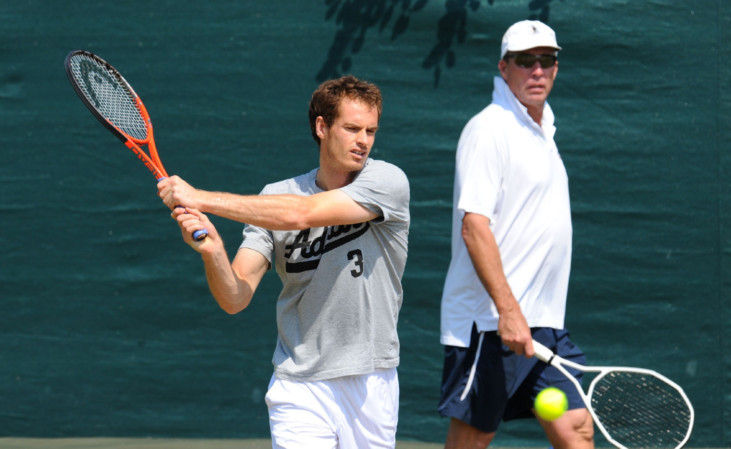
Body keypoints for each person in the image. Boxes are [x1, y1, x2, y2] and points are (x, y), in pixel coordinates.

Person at [158, 75, 410, 448]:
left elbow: (301, 214)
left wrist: (201, 198)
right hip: (299, 385)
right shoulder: (274, 197)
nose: (364, 141)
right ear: (322, 127)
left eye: (371, 130)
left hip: (370, 381)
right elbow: (235, 297)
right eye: (353, 128)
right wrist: (213, 251)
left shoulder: (387, 182)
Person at [437, 20, 595, 449]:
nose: (538, 71)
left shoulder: (544, 133)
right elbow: (474, 227)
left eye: (547, 60)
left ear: (557, 68)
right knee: (473, 438)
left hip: (545, 323)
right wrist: (508, 311)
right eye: (526, 61)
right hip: (490, 323)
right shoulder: (490, 130)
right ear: (504, 68)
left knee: (576, 426)